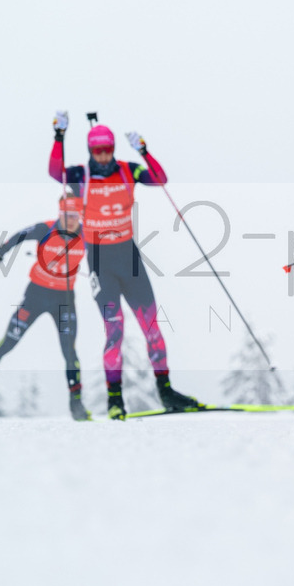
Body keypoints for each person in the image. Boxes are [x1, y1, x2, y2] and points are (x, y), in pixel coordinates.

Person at [48, 111, 202, 420]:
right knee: (114, 328)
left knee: (152, 326)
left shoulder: (129, 171)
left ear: (114, 148)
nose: (103, 155)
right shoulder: (81, 175)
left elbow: (160, 179)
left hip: (129, 258)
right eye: (97, 150)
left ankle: (166, 391)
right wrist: (59, 137)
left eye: (107, 149)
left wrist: (144, 151)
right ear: (91, 150)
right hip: (101, 262)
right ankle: (115, 399)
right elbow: (55, 172)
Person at [0, 194, 90, 420]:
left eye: (75, 216)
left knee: (69, 350)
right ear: (59, 214)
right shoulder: (45, 228)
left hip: (64, 299)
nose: (71, 220)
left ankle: (77, 404)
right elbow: (20, 235)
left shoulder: (86, 234)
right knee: (8, 342)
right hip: (36, 294)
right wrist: (1, 251)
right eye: (66, 215)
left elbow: (106, 252)